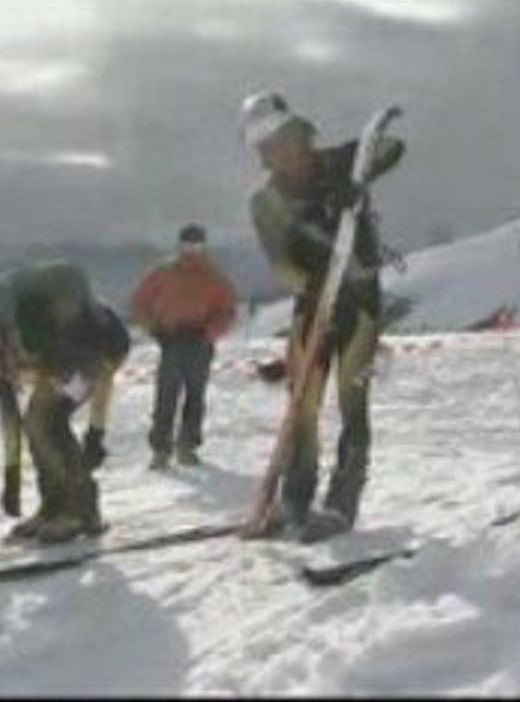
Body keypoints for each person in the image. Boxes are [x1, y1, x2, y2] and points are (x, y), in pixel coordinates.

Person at [239, 91, 406, 540]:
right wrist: (311, 287)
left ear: (302, 135)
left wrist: (354, 180)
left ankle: (340, 505)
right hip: (313, 302)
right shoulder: (265, 201)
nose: (282, 153)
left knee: (353, 402)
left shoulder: (339, 163)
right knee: (303, 402)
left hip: (360, 298)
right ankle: (294, 499)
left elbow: (392, 148)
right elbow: (280, 263)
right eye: (269, 147)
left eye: (287, 140)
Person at [0, 261, 130, 544]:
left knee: (47, 424)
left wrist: (96, 433)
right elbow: (11, 415)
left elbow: (103, 378)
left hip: (91, 357)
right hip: (56, 358)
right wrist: (11, 478)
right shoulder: (12, 331)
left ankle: (80, 511)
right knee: (38, 424)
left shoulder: (82, 329)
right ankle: (54, 507)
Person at [130, 224, 237, 469]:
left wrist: (209, 334)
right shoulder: (164, 272)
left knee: (195, 397)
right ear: (179, 246)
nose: (192, 251)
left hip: (199, 343)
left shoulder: (213, 276)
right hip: (171, 341)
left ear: (204, 247)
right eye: (187, 245)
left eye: (197, 245)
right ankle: (160, 449)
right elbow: (139, 302)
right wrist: (154, 330)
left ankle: (187, 446)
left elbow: (227, 311)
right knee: (165, 397)